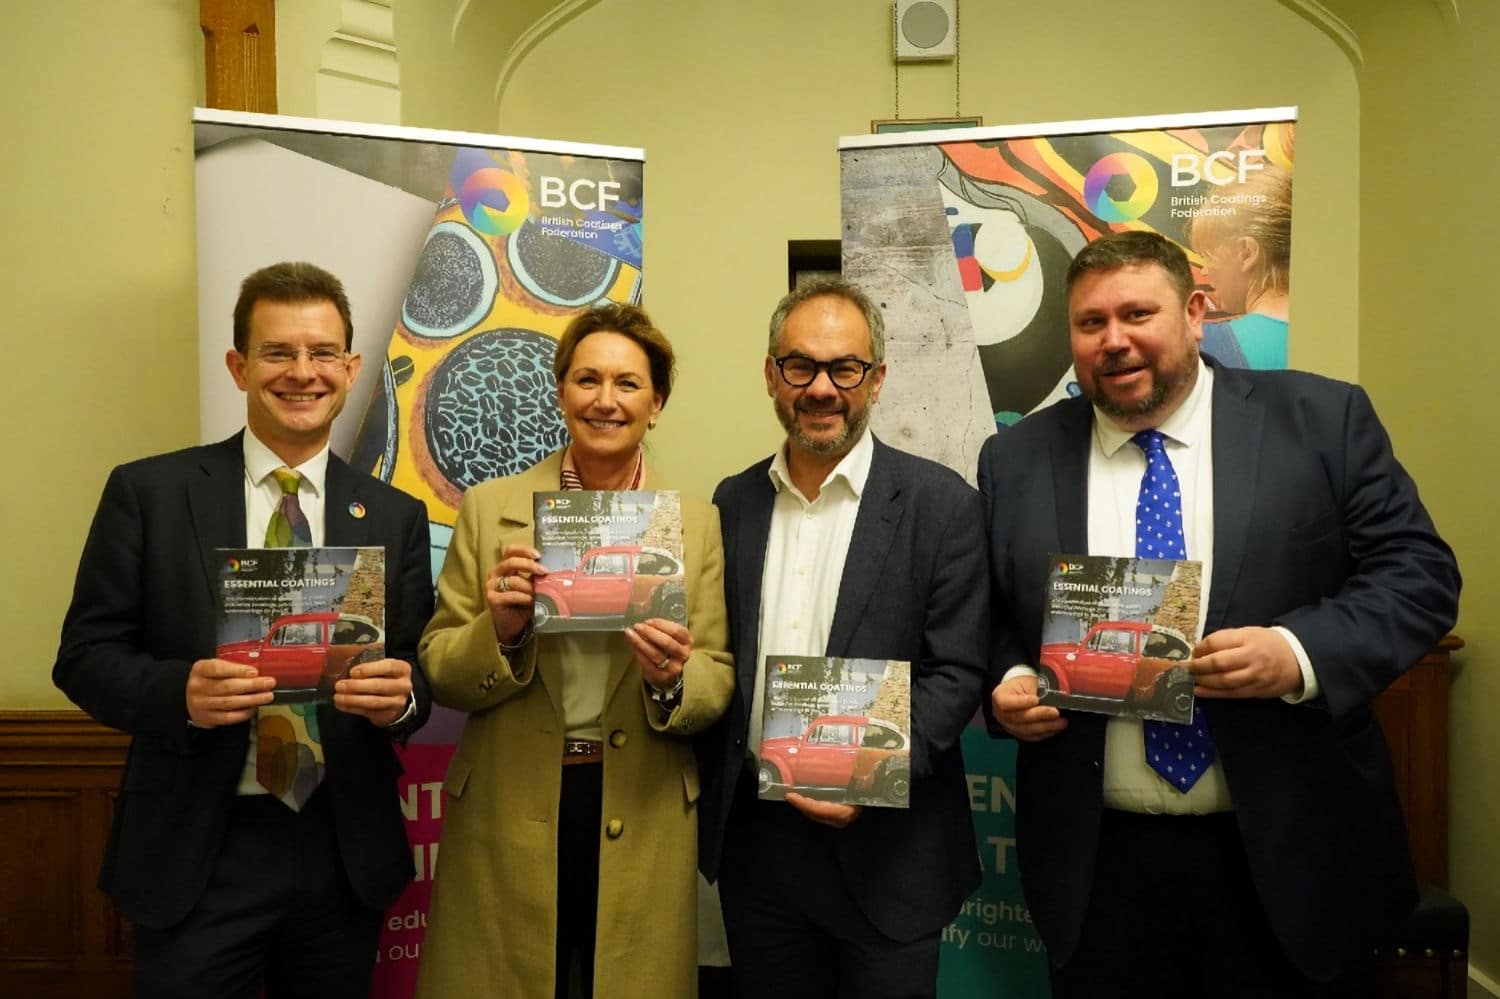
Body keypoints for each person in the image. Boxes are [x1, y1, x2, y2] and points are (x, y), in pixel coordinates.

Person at [980, 231, 1460, 997]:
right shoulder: (1015, 458)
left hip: (1291, 853)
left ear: (1196, 313)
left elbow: (1421, 575)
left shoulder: (1320, 419)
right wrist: (1007, 679)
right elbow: (1000, 613)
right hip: (1099, 868)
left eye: (1138, 313)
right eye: (1091, 322)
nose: (1114, 340)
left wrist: (1297, 652)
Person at [53, 261, 434, 998]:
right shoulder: (150, 493)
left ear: (351, 368)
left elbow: (418, 665)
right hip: (200, 847)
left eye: (322, 353)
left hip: (341, 847)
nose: (303, 372)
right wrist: (179, 693)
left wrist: (403, 698)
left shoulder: (393, 515)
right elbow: (84, 656)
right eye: (277, 352)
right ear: (239, 366)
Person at [415, 303, 734, 999]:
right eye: (587, 379)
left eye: (628, 383)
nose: (605, 400)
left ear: (657, 403)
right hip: (508, 802)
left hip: (641, 803)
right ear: (561, 392)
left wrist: (673, 678)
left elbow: (717, 675)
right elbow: (439, 664)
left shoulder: (696, 523)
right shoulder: (489, 508)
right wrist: (500, 632)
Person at [699, 278, 989, 998]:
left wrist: (874, 771)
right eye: (800, 365)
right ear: (772, 375)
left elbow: (956, 671)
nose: (822, 388)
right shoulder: (733, 501)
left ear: (877, 379)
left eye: (845, 368)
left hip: (890, 855)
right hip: (760, 853)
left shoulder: (943, 504)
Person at [1189, 165, 1293, 369]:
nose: (1205, 270)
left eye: (1210, 255)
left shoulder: (1204, 348)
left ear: (1246, 253)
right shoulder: (1338, 332)